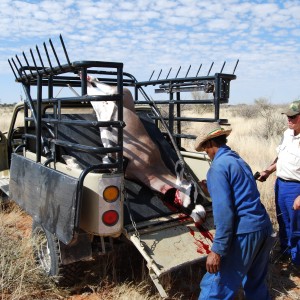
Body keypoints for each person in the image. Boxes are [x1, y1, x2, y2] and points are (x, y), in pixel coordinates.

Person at [195, 122, 274, 300]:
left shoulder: (217, 167)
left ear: (209, 144)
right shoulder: (238, 160)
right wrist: (213, 189)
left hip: (244, 233)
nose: (206, 154)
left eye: (205, 149)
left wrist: (217, 250)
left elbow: (225, 214)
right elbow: (243, 193)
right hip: (262, 228)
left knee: (215, 288)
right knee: (255, 285)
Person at [258, 100, 300, 267]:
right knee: (283, 221)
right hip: (281, 184)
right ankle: (285, 253)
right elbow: (281, 158)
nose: (289, 119)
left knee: (297, 226)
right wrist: (268, 171)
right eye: (287, 116)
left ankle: (297, 263)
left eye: (293, 116)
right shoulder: (287, 134)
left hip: (296, 187)